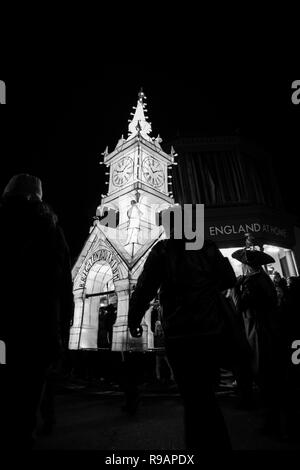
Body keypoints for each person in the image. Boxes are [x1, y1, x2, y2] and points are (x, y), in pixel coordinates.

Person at [128, 205, 237, 451]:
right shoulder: (207, 246)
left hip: (180, 333)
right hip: (210, 331)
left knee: (193, 398)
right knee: (206, 394)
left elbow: (145, 287)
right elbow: (228, 279)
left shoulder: (163, 250)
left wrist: (134, 317)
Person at [0, 174, 74, 449]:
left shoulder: (2, 222)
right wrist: (65, 326)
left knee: (7, 377)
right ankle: (25, 434)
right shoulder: (51, 229)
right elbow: (64, 284)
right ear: (38, 197)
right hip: (39, 328)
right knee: (32, 385)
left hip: (5, 329)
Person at [231, 244, 281, 433]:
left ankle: (272, 420)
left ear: (248, 266)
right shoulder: (263, 279)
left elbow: (239, 306)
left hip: (258, 330)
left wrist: (236, 288)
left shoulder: (252, 282)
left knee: (262, 371)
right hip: (264, 328)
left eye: (242, 265)